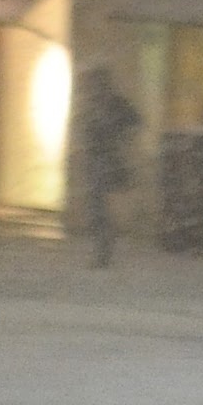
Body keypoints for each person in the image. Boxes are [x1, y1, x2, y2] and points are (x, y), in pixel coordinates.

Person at [72, 68, 143, 268]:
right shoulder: (99, 104)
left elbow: (134, 121)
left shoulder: (109, 104)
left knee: (101, 208)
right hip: (100, 161)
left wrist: (120, 138)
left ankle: (105, 249)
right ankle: (104, 249)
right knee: (99, 208)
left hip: (107, 161)